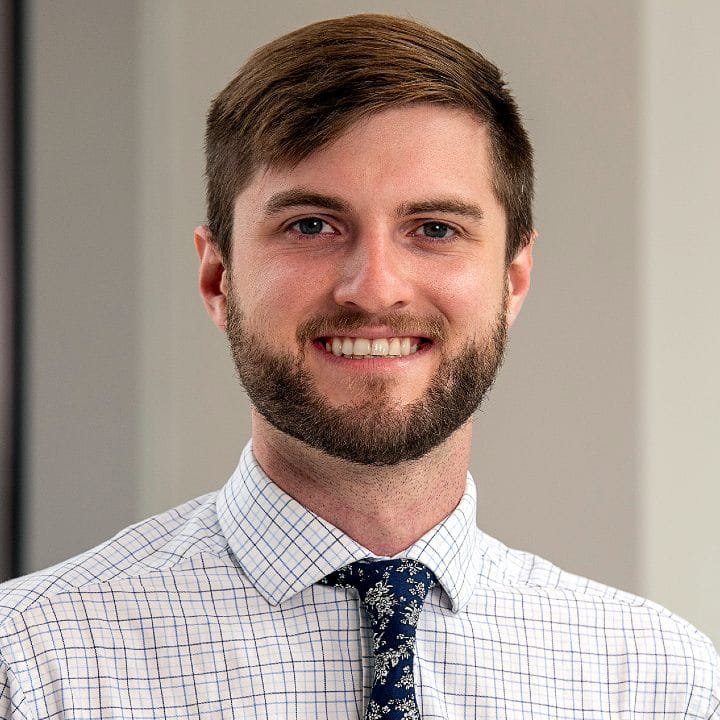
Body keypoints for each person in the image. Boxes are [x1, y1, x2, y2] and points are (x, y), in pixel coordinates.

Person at [1, 13, 718, 719]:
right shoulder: (32, 668)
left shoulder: (658, 682)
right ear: (219, 277)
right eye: (310, 225)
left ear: (513, 278)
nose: (374, 287)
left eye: (434, 229)